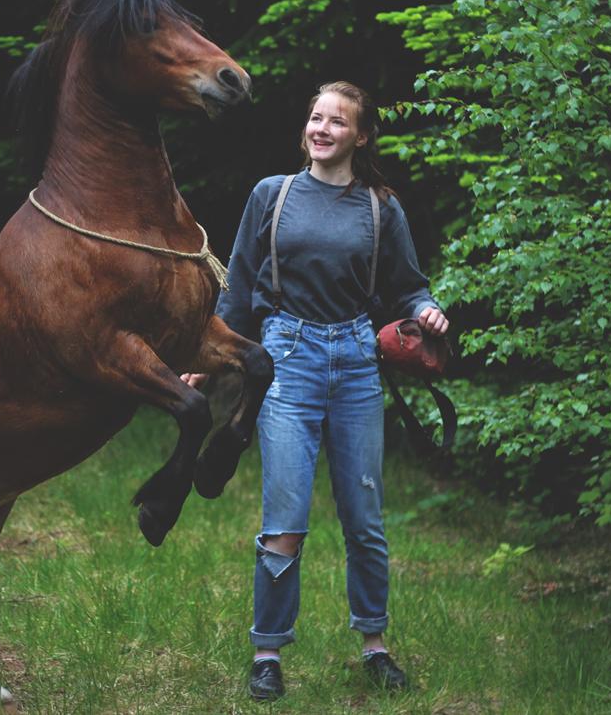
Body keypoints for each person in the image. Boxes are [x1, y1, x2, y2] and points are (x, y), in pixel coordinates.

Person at [182, 81, 448, 701]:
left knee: (364, 519)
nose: (321, 129)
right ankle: (269, 651)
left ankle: (375, 646)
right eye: (315, 118)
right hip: (287, 360)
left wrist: (429, 310)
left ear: (360, 135)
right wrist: (208, 357)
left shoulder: (381, 207)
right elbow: (239, 289)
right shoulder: (271, 197)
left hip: (356, 361)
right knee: (286, 519)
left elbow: (410, 287)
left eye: (336, 122)